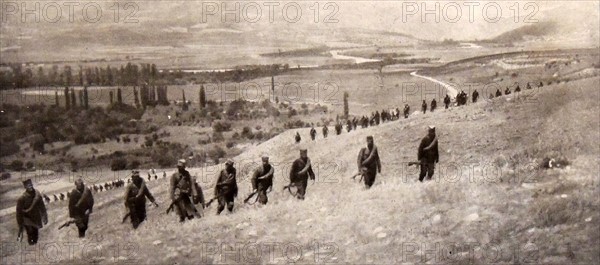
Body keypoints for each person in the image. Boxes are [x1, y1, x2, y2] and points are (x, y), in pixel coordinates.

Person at [16, 179, 48, 245]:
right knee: (30, 232)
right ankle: (31, 244)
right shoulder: (22, 198)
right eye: (28, 185)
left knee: (35, 233)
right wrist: (20, 224)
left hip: (36, 218)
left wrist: (45, 217)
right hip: (27, 219)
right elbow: (18, 213)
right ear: (25, 187)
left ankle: (34, 244)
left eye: (31, 185)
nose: (30, 186)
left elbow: (42, 206)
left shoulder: (37, 194)